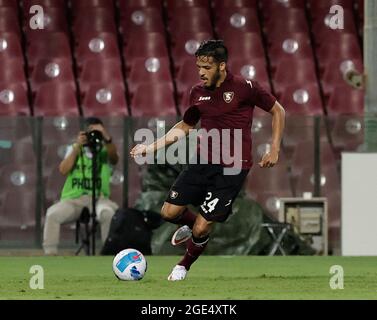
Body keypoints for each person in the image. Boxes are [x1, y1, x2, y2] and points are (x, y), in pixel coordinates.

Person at [130, 40, 285, 280]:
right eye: (199, 67)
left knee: (203, 227)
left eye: (207, 67)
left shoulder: (245, 87)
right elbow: (185, 126)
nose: (202, 72)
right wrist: (150, 147)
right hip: (203, 162)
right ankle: (193, 229)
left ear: (222, 66)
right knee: (169, 213)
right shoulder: (197, 93)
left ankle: (183, 266)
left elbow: (278, 111)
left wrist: (274, 149)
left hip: (233, 168)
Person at [43, 117, 119, 255]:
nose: (94, 135)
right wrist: (77, 146)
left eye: (98, 131)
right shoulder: (74, 148)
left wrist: (106, 138)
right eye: (91, 131)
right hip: (73, 200)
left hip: (99, 199)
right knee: (52, 214)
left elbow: (114, 159)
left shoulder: (105, 149)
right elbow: (63, 170)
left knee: (108, 213)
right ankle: (50, 254)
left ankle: (109, 254)